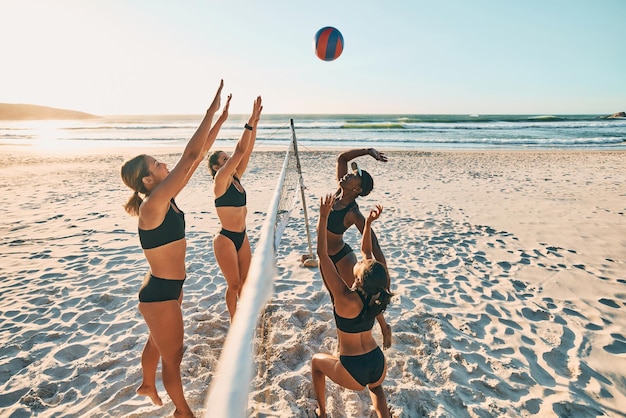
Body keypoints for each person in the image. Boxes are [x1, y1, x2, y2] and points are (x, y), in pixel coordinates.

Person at [120, 80, 229, 418]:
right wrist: (210, 112)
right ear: (148, 180)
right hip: (159, 294)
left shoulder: (162, 198)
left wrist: (219, 124)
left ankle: (147, 383)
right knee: (174, 355)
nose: (164, 164)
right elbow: (191, 155)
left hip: (168, 287)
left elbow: (193, 163)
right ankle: (183, 412)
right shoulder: (152, 206)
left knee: (158, 341)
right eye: (157, 165)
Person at [312, 194, 392, 418]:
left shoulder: (344, 297)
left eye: (358, 265)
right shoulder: (378, 293)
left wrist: (323, 217)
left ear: (358, 278)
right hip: (377, 364)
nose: (359, 261)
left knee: (316, 363)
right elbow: (367, 252)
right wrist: (367, 224)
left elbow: (322, 254)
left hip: (351, 369)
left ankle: (322, 411)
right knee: (376, 388)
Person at [327, 148, 392, 348]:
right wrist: (368, 151)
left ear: (357, 190)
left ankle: (383, 327)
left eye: (353, 177)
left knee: (357, 298)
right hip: (326, 258)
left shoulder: (353, 212)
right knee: (335, 298)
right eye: (350, 174)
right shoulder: (339, 192)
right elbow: (342, 158)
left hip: (341, 258)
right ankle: (349, 335)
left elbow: (372, 241)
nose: (347, 175)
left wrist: (384, 273)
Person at [207, 95, 263, 321]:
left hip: (242, 236)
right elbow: (240, 151)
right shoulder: (220, 180)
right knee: (234, 284)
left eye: (227, 156)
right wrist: (249, 121)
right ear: (215, 166)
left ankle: (245, 318)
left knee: (246, 283)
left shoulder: (236, 177)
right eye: (223, 158)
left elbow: (246, 152)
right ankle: (233, 321)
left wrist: (256, 123)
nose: (228, 158)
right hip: (226, 239)